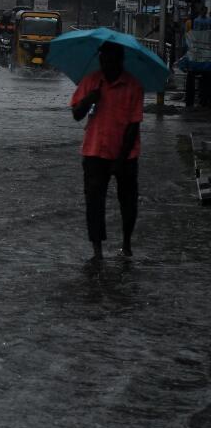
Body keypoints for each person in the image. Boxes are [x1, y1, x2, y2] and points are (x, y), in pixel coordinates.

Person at [70, 41, 143, 264]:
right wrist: (88, 100)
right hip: (94, 151)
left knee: (128, 202)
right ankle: (97, 249)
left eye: (110, 59)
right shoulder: (91, 81)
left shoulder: (133, 86)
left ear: (120, 60)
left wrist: (120, 159)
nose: (106, 64)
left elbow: (134, 126)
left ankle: (127, 243)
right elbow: (76, 114)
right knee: (94, 202)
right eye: (103, 59)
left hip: (126, 154)